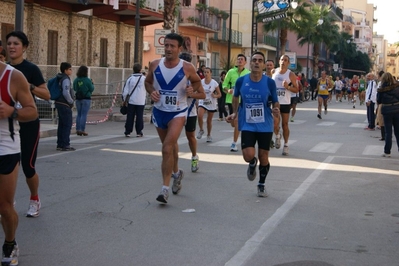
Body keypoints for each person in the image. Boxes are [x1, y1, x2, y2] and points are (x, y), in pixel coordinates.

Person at [145, 33, 205, 204]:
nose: (169, 49)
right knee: (171, 149)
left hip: (178, 112)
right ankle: (177, 173)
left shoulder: (187, 68)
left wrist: (192, 93)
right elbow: (147, 83)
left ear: (180, 48)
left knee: (166, 148)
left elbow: (200, 92)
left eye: (172, 46)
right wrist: (152, 92)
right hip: (159, 111)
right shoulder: (155, 65)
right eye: (167, 45)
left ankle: (164, 190)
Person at [6, 30, 50, 218]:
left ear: (24, 48)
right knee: (8, 165)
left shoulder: (31, 69)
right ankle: (8, 201)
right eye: (9, 43)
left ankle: (34, 199)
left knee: (27, 166)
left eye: (16, 43)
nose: (12, 47)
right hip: (8, 124)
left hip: (29, 122)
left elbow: (47, 95)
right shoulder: (4, 70)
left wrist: (29, 86)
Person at [226, 52, 280, 197]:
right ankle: (252, 163)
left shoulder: (269, 82)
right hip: (248, 123)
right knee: (248, 155)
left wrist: (276, 108)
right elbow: (235, 97)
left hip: (265, 124)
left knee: (264, 156)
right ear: (250, 64)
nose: (257, 63)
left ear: (263, 65)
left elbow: (275, 100)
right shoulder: (241, 81)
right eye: (254, 60)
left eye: (260, 61)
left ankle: (261, 184)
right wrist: (234, 113)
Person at [0, 59, 38, 266]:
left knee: (4, 207)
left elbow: (32, 111)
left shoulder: (13, 77)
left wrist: (12, 111)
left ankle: (10, 243)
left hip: (5, 147)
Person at [179, 52, 203, 173]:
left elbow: (203, 94)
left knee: (190, 137)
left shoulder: (194, 77)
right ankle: (172, 161)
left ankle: (194, 157)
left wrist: (191, 94)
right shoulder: (175, 75)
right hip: (176, 111)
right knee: (171, 138)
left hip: (190, 112)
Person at [223, 54, 251, 152]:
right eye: (238, 59)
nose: (239, 61)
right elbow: (224, 85)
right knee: (234, 123)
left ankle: (234, 143)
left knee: (237, 121)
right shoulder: (230, 72)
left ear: (245, 62)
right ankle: (238, 125)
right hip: (232, 100)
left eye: (241, 59)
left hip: (243, 101)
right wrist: (228, 90)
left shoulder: (248, 73)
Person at [271, 54, 298, 155]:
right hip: (275, 102)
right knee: (274, 123)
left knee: (285, 124)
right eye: (282, 59)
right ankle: (278, 136)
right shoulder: (274, 72)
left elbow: (296, 89)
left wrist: (288, 87)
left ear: (288, 63)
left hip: (285, 102)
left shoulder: (290, 74)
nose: (283, 61)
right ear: (279, 61)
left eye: (286, 60)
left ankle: (286, 145)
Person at [377, 72, 399, 157]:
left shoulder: (381, 89)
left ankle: (387, 151)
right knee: (398, 132)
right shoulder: (397, 87)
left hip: (387, 110)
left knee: (388, 132)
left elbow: (379, 100)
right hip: (397, 109)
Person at [196, 67, 221, 142]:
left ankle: (209, 134)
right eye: (205, 72)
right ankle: (201, 130)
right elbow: (198, 92)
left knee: (209, 120)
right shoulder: (201, 82)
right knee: (200, 115)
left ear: (211, 73)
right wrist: (197, 101)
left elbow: (219, 94)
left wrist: (215, 96)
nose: (206, 74)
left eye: (207, 72)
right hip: (202, 101)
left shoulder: (214, 83)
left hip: (211, 102)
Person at [54, 62, 75, 151]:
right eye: (70, 69)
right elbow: (66, 92)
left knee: (62, 124)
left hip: (59, 102)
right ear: (65, 70)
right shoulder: (65, 79)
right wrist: (71, 101)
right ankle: (65, 144)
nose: (71, 71)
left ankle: (60, 143)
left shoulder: (59, 78)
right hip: (65, 104)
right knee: (67, 124)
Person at [122, 63, 146, 137]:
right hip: (141, 100)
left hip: (131, 101)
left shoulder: (130, 79)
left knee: (130, 116)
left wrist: (124, 100)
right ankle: (139, 132)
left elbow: (125, 91)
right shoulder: (144, 79)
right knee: (139, 116)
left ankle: (128, 131)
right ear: (140, 70)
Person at [73, 65, 94, 136]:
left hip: (78, 98)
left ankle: (77, 129)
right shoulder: (87, 80)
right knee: (84, 114)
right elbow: (91, 89)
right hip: (86, 98)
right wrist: (92, 84)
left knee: (79, 114)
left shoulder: (76, 80)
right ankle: (82, 129)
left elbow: (74, 88)